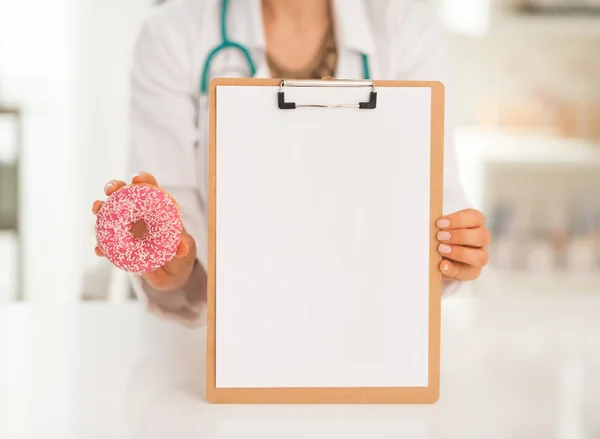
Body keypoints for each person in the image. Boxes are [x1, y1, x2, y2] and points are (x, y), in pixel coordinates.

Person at [92, 0, 491, 327]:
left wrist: (454, 249)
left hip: (372, 334)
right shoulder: (171, 34)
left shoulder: (407, 29)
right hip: (225, 344)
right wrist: (176, 268)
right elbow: (178, 234)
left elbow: (436, 201)